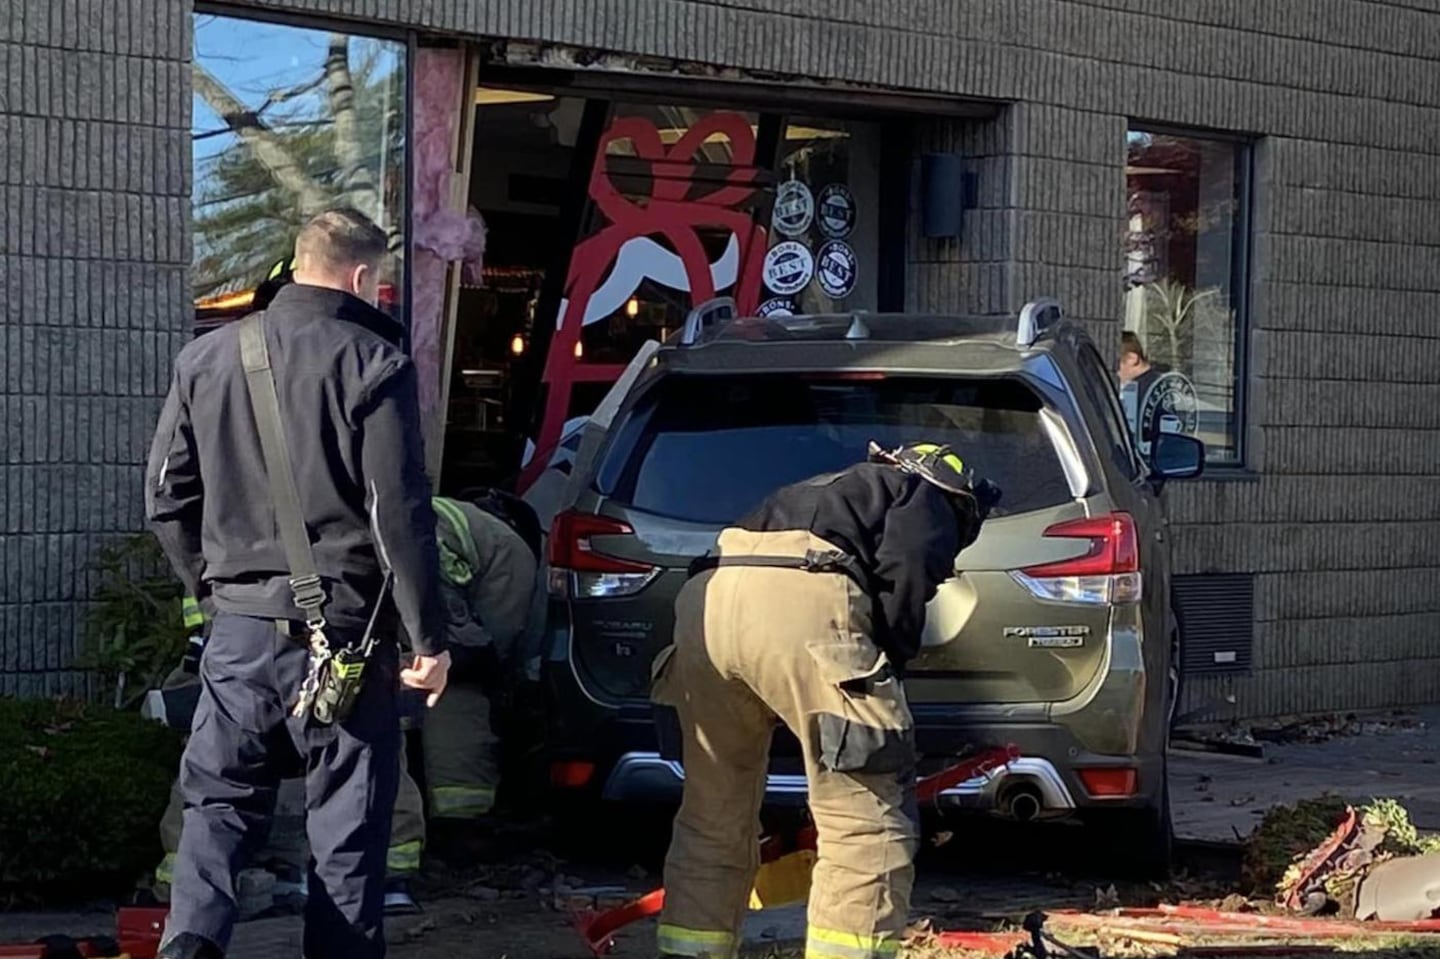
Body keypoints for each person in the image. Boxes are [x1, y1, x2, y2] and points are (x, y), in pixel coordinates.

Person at [145, 208, 451, 959]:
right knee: (344, 836)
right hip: (345, 638)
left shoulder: (205, 359)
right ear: (358, 276)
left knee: (215, 816)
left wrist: (215, 595)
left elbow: (164, 497)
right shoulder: (375, 363)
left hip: (238, 636)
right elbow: (398, 515)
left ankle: (187, 949)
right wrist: (428, 638)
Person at [650, 442, 997, 959]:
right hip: (802, 596)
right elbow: (907, 569)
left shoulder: (827, 489)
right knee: (865, 820)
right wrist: (887, 671)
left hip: (706, 603)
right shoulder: (926, 496)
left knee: (712, 814)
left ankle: (690, 950)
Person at [388, 494, 544, 868]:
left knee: (458, 683)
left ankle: (465, 826)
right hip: (420, 579)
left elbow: (463, 641)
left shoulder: (420, 551)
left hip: (497, 566)